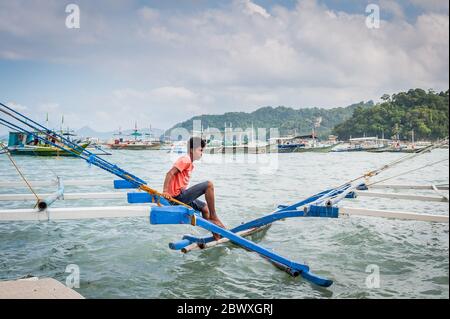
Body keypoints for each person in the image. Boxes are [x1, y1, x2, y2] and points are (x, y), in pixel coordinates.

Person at [162, 137, 226, 241]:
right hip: (176, 197)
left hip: (181, 195)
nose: (202, 153)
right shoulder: (185, 160)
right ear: (192, 150)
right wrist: (165, 191)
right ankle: (214, 217)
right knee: (209, 185)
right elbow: (170, 173)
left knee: (205, 208)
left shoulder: (189, 163)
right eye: (200, 150)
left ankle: (216, 236)